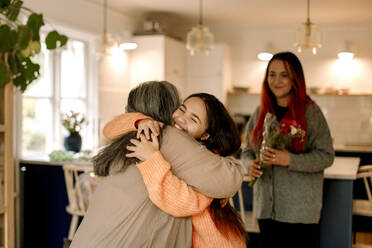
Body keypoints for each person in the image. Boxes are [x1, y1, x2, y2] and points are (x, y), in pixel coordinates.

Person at [70, 81, 244, 248]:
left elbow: (109, 128)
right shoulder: (166, 137)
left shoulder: (132, 135)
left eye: (194, 119)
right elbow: (230, 178)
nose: (181, 118)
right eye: (181, 109)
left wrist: (139, 122)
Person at [240, 52, 334, 248]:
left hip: (299, 212)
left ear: (295, 78)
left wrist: (289, 159)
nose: (277, 80)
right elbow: (247, 151)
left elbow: (326, 156)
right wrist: (250, 165)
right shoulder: (261, 111)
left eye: (284, 74)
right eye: (272, 74)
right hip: (265, 208)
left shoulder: (311, 112)